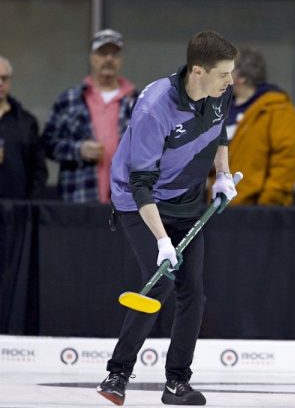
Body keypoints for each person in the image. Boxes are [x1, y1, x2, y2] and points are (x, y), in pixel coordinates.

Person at [97, 31, 238, 406]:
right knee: (158, 283)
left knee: (193, 292)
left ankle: (177, 382)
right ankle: (118, 374)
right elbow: (140, 183)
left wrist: (222, 175)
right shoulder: (153, 109)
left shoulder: (220, 92)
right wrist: (162, 241)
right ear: (197, 71)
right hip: (139, 202)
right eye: (224, 74)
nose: (231, 81)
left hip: (188, 200)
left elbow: (219, 129)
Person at [41, 29, 137, 203]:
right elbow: (47, 143)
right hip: (79, 199)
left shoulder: (139, 102)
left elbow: (158, 148)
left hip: (128, 201)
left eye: (114, 54)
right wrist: (78, 150)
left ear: (121, 60)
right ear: (92, 58)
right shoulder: (69, 100)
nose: (108, 59)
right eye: (102, 53)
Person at [226, 47, 295, 205]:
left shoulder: (277, 108)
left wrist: (270, 200)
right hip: (219, 208)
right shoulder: (222, 110)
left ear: (240, 76)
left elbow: (288, 157)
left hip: (258, 210)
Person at [0, 55, 48, 199]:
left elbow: (39, 170)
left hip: (17, 210)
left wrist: (29, 206)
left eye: (4, 78)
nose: (0, 82)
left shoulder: (26, 122)